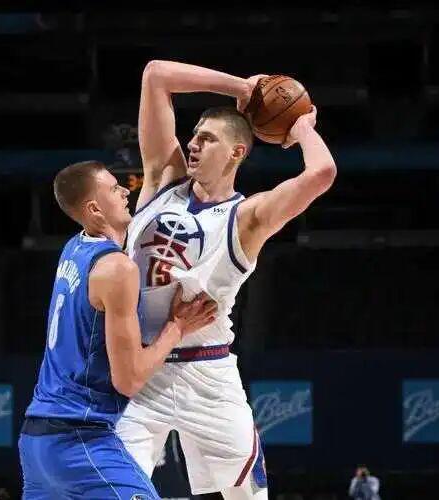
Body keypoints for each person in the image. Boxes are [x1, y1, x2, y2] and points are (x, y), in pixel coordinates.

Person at [116, 60, 337, 500]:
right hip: (139, 372)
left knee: (247, 497)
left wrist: (302, 127)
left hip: (208, 373)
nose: (193, 144)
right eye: (194, 135)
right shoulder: (162, 179)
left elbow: (321, 174)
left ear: (237, 152)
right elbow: (156, 75)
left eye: (207, 138)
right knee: (111, 491)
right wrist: (241, 88)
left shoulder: (248, 217)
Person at [18, 161, 217, 499]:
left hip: (36, 441)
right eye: (114, 188)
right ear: (95, 209)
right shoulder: (117, 269)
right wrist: (177, 327)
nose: (125, 191)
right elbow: (129, 379)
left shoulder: (74, 248)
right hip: (79, 438)